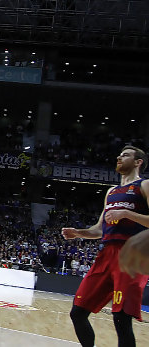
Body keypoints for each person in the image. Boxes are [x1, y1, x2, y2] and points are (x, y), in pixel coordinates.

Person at [61, 146, 149, 347]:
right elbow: (100, 229)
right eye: (119, 154)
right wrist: (79, 233)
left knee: (121, 319)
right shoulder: (111, 192)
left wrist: (126, 214)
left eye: (125, 155)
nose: (119, 157)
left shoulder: (144, 186)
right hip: (106, 255)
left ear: (138, 162)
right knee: (78, 312)